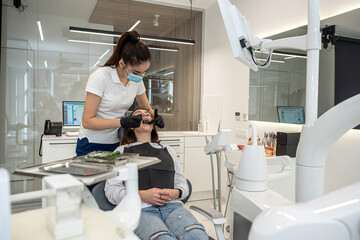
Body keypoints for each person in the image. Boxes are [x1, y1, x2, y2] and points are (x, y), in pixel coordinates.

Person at [105, 108, 208, 240]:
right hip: (141, 210)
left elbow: (182, 183)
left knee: (197, 235)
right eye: (139, 115)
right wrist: (142, 195)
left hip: (173, 207)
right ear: (131, 126)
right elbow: (111, 190)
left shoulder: (168, 150)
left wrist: (176, 193)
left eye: (148, 115)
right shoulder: (120, 152)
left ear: (153, 124)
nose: (145, 116)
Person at [76, 30, 164, 156]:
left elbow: (146, 108)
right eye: (136, 72)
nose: (140, 76)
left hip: (117, 141)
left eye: (143, 72)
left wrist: (155, 117)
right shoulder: (101, 77)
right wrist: (122, 122)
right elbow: (87, 121)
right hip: (92, 142)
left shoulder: (137, 81)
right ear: (122, 63)